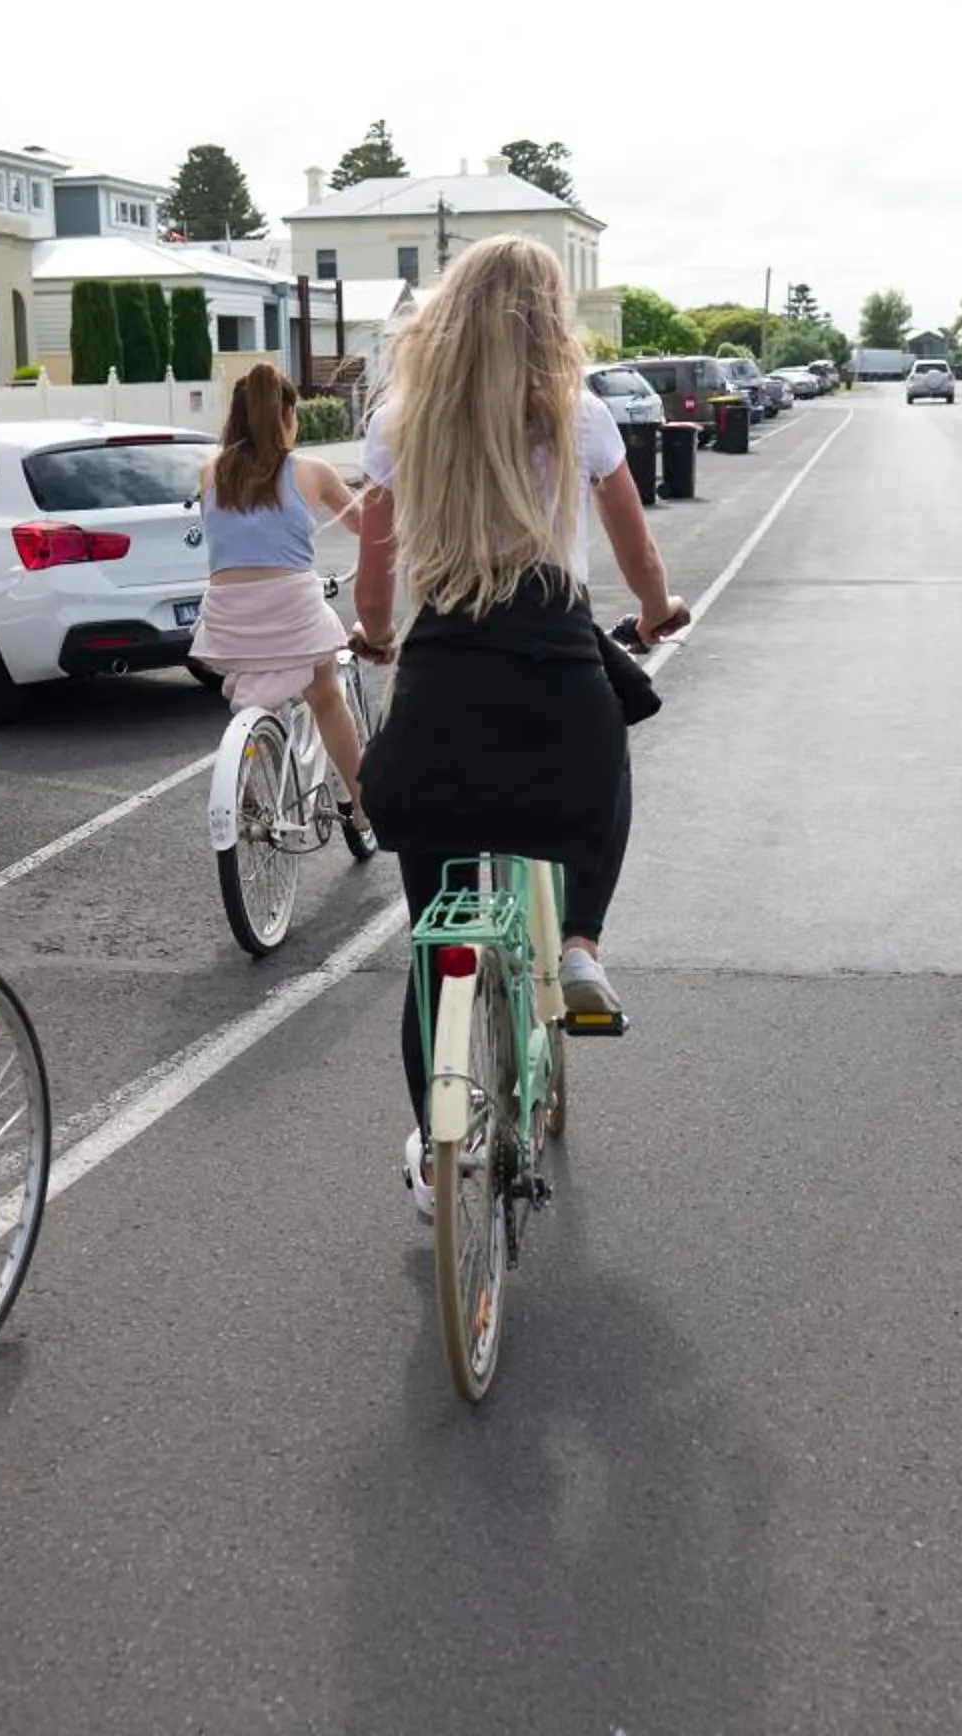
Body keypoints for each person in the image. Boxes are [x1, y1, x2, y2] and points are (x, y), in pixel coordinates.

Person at [350, 235, 689, 1216]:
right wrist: (658, 611)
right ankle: (580, 939)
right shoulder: (579, 414)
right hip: (557, 683)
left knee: (431, 939)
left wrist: (377, 637)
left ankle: (435, 1145)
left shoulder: (400, 420)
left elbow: (376, 583)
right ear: (551, 317)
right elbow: (641, 551)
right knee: (608, 757)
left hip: (443, 687)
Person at [189, 364, 370, 850]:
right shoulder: (312, 471)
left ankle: (246, 782)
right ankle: (367, 805)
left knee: (251, 691)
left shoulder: (211, 472)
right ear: (287, 415)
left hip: (227, 618)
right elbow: (365, 526)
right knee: (327, 697)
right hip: (290, 610)